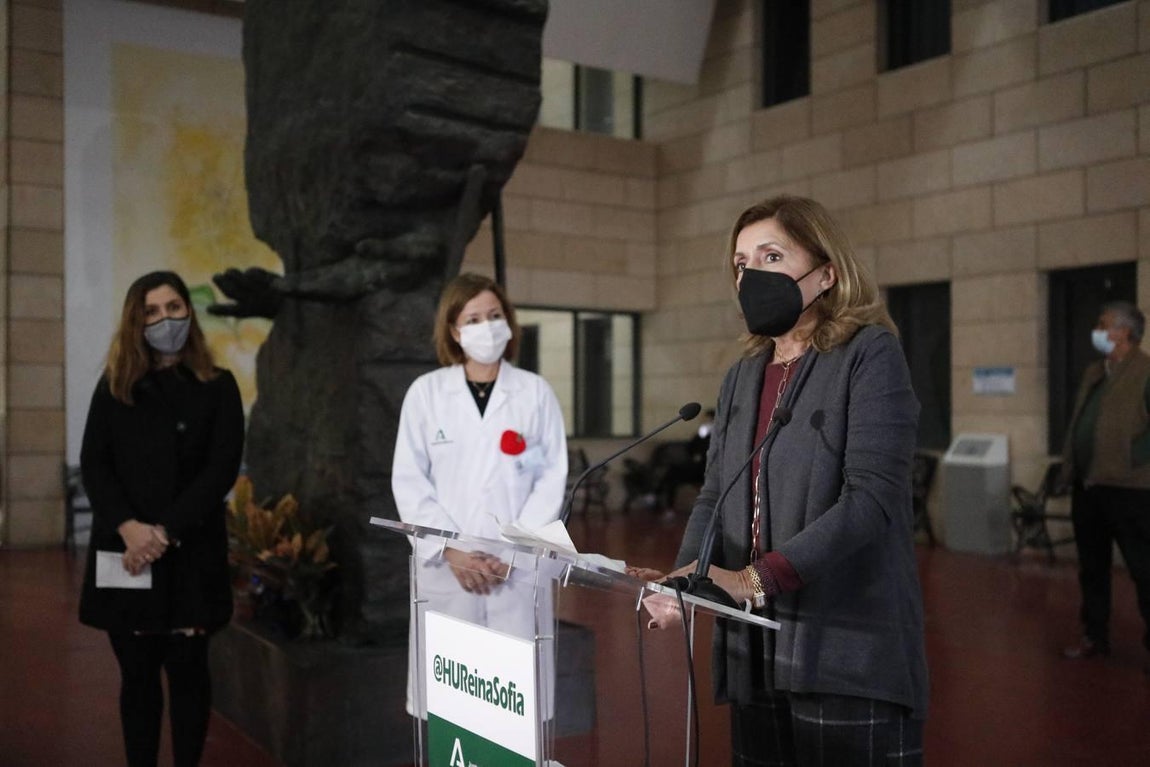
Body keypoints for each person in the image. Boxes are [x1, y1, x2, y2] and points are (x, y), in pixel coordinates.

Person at [629, 196, 928, 765]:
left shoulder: (870, 355)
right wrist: (686, 577)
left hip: (844, 641)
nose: (751, 275)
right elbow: (715, 493)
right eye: (741, 263)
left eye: (771, 255)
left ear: (826, 272)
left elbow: (872, 498)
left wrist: (753, 578)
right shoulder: (744, 374)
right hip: (754, 645)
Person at [79, 271, 245, 767]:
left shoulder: (218, 387)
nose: (165, 318)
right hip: (127, 552)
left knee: (191, 677)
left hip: (191, 553)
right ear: (136, 321)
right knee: (137, 680)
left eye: (174, 307)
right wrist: (131, 528)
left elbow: (220, 470)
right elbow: (95, 464)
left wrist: (165, 531)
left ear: (188, 314)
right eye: (151, 311)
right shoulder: (114, 388)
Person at [391, 272, 568, 715]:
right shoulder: (426, 394)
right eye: (472, 318)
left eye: (494, 315)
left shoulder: (534, 392)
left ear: (508, 323)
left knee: (513, 705)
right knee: (453, 704)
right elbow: (409, 480)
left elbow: (551, 478)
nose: (486, 326)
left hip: (515, 569)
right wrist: (451, 550)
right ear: (453, 330)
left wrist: (509, 552)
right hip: (448, 572)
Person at [1060, 301, 1150, 672]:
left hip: (1131, 491)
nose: (1097, 330)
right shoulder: (1096, 372)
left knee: (1144, 570)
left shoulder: (1145, 371)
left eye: (1103, 324)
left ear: (1125, 333)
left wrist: (1134, 458)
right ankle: (1095, 636)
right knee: (1092, 569)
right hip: (1090, 489)